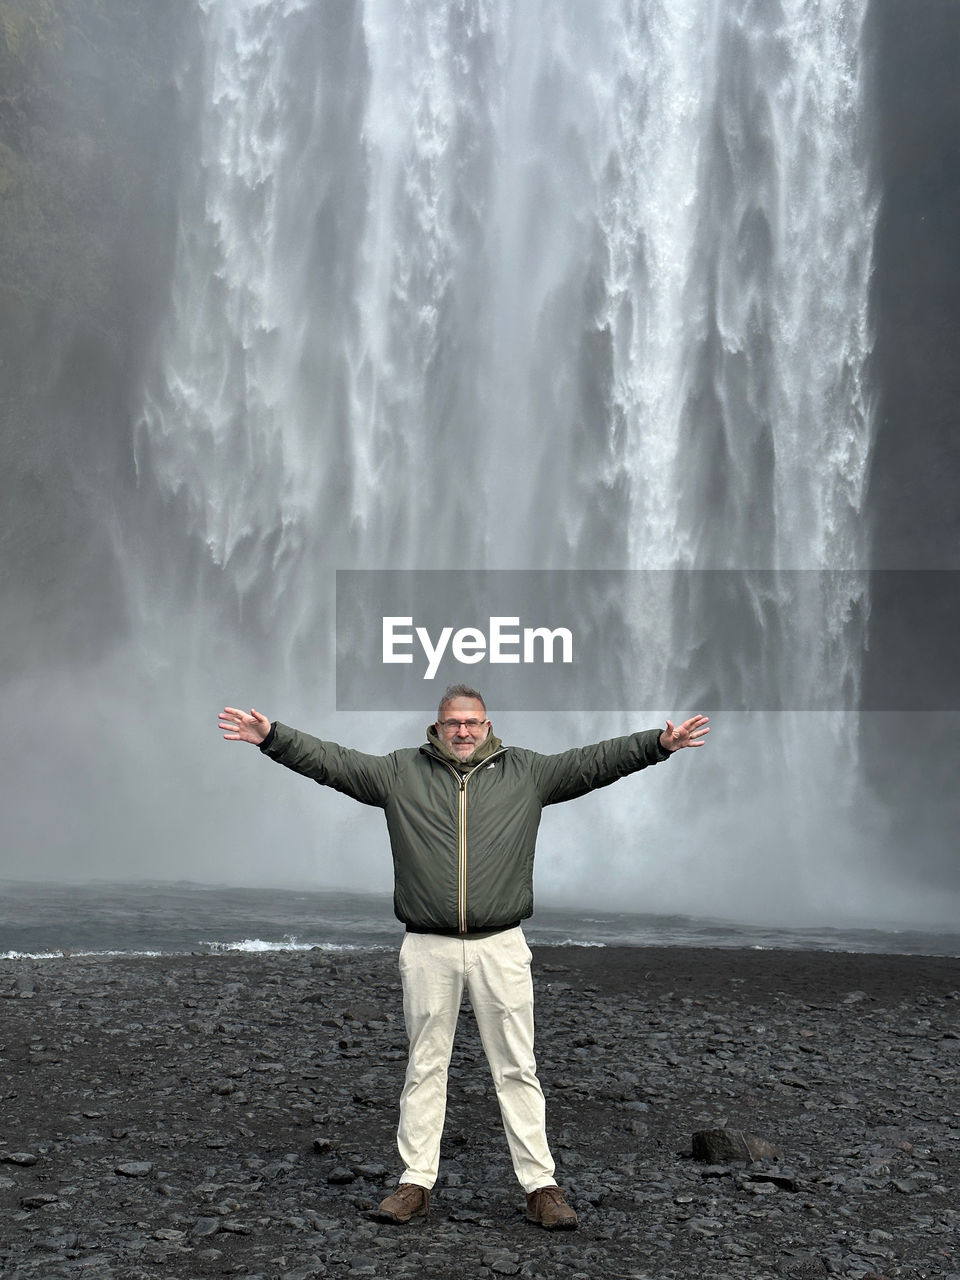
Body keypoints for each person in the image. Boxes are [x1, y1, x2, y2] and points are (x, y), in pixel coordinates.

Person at [219, 687, 708, 1229]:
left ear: (487, 724)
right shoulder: (398, 772)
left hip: (501, 943)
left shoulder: (528, 772)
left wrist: (658, 744)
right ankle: (414, 1184)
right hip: (428, 945)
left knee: (517, 1068)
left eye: (472, 722)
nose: (463, 731)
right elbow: (332, 763)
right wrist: (272, 738)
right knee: (425, 1066)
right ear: (437, 726)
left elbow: (595, 762)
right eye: (453, 722)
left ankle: (541, 1187)